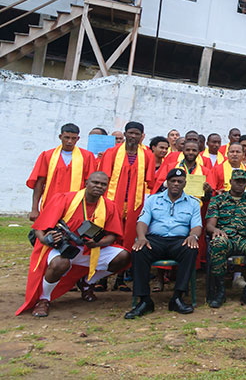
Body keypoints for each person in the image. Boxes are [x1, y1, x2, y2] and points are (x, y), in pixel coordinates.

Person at [17, 172, 130, 317]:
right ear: (86, 183)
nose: (99, 186)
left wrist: (97, 243)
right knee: (59, 264)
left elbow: (112, 236)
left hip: (90, 248)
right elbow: (40, 227)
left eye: (103, 184)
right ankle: (44, 299)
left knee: (123, 256)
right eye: (95, 182)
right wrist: (45, 239)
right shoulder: (65, 199)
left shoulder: (109, 206)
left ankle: (88, 282)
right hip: (63, 247)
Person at [124, 168, 201, 318]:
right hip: (155, 240)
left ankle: (177, 297)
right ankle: (144, 300)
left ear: (185, 184)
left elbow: (197, 226)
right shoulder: (153, 200)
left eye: (180, 181)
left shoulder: (193, 203)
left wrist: (193, 236)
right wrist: (141, 237)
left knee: (191, 249)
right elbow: (142, 221)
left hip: (179, 241)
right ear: (167, 183)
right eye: (173, 181)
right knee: (139, 251)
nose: (176, 184)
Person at [204, 169, 246, 308]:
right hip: (226, 238)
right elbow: (210, 225)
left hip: (245, 240)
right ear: (230, 182)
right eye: (237, 181)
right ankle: (220, 291)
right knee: (217, 243)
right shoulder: (218, 200)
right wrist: (215, 230)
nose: (240, 184)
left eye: (243, 182)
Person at [98, 122, 156, 252]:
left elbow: (150, 183)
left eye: (137, 134)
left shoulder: (148, 155)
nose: (133, 136)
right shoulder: (111, 152)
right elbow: (104, 177)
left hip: (136, 202)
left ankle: (127, 264)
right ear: (125, 134)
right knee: (110, 230)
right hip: (113, 199)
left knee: (131, 233)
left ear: (142, 136)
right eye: (130, 133)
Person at [27, 123, 97, 222]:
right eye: (66, 137)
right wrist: (34, 208)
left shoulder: (87, 157)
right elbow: (39, 183)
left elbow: (90, 183)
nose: (70, 141)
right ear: (60, 137)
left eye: (73, 138)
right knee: (47, 233)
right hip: (50, 201)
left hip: (76, 203)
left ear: (78, 139)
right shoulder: (47, 156)